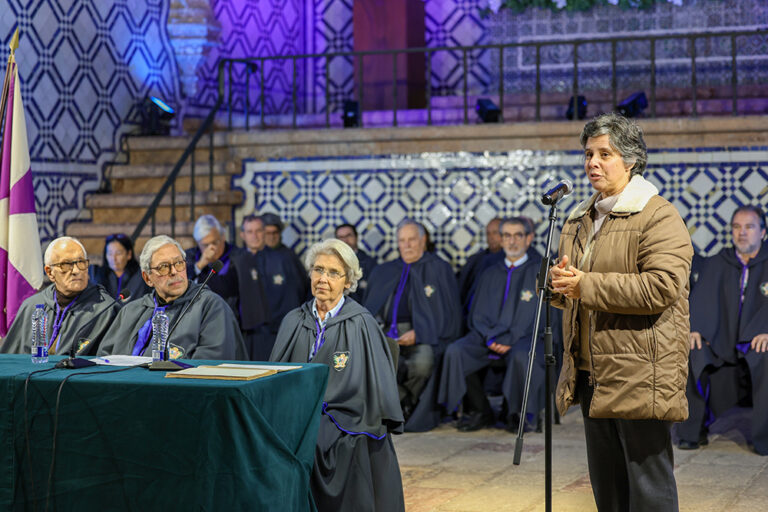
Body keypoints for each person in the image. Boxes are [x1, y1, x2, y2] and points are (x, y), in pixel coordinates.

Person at [549, 113, 692, 511]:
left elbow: (662, 287)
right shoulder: (579, 218)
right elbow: (572, 287)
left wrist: (585, 285)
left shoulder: (657, 214)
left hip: (640, 371)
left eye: (604, 154)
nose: (592, 162)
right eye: (588, 154)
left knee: (648, 488)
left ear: (630, 160)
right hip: (592, 371)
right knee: (608, 486)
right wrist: (557, 284)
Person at [270, 239, 404, 511]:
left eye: (333, 273)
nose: (323, 279)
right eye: (318, 270)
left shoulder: (361, 322)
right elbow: (276, 375)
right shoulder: (293, 320)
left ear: (348, 281)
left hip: (344, 412)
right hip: (296, 409)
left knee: (319, 438)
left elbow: (366, 390)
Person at [439, 217, 557, 432]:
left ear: (529, 238)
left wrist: (510, 339)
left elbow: (540, 317)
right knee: (457, 351)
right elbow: (477, 315)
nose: (512, 241)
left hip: (526, 339)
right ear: (500, 240)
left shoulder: (540, 273)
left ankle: (519, 413)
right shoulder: (489, 273)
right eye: (506, 236)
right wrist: (490, 337)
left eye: (518, 235)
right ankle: (478, 410)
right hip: (489, 338)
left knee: (523, 356)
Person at [677, 205, 768, 454]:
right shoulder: (720, 260)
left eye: (749, 227)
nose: (742, 233)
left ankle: (763, 439)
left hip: (757, 344)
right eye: (737, 227)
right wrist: (696, 328)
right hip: (723, 344)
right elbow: (702, 298)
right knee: (693, 351)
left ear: (762, 232)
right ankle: (692, 433)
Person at [364, 219, 462, 431]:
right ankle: (402, 404)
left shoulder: (439, 268)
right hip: (385, 333)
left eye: (412, 240)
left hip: (424, 335)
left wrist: (420, 333)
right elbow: (369, 308)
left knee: (422, 364)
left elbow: (450, 314)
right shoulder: (384, 270)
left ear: (423, 240)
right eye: (402, 240)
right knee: (373, 364)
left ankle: (408, 404)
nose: (407, 245)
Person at [98, 235, 247, 360]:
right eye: (163, 267)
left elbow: (210, 366)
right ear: (147, 278)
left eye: (179, 263)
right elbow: (104, 358)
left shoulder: (210, 306)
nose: (174, 271)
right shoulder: (130, 311)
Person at [1, 236, 119, 356]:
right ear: (49, 272)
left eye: (81, 262)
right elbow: (9, 360)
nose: (76, 270)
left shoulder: (106, 310)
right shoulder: (31, 307)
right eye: (66, 264)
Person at [233, 214, 305, 360]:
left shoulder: (283, 258)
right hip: (242, 335)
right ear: (242, 235)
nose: (254, 236)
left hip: (275, 333)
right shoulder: (234, 260)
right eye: (249, 232)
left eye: (258, 231)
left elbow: (296, 294)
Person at [185, 214, 240, 311]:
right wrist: (200, 265)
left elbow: (225, 288)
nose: (211, 249)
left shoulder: (237, 256)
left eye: (215, 242)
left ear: (223, 237)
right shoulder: (190, 256)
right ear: (198, 243)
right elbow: (184, 286)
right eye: (205, 245)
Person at [261, 212, 309, 299]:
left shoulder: (289, 255)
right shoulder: (256, 255)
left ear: (280, 233)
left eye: (274, 233)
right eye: (268, 233)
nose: (272, 237)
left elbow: (302, 286)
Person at [90, 233, 149, 303]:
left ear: (129, 254)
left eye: (118, 253)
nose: (113, 258)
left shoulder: (140, 276)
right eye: (110, 254)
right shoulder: (96, 274)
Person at [457, 217, 503, 304]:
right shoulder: (475, 260)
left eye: (495, 233)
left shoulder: (511, 261)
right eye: (488, 233)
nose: (491, 237)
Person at [335, 223, 377, 303]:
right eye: (340, 237)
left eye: (349, 235)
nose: (345, 240)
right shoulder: (328, 263)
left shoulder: (370, 263)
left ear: (356, 237)